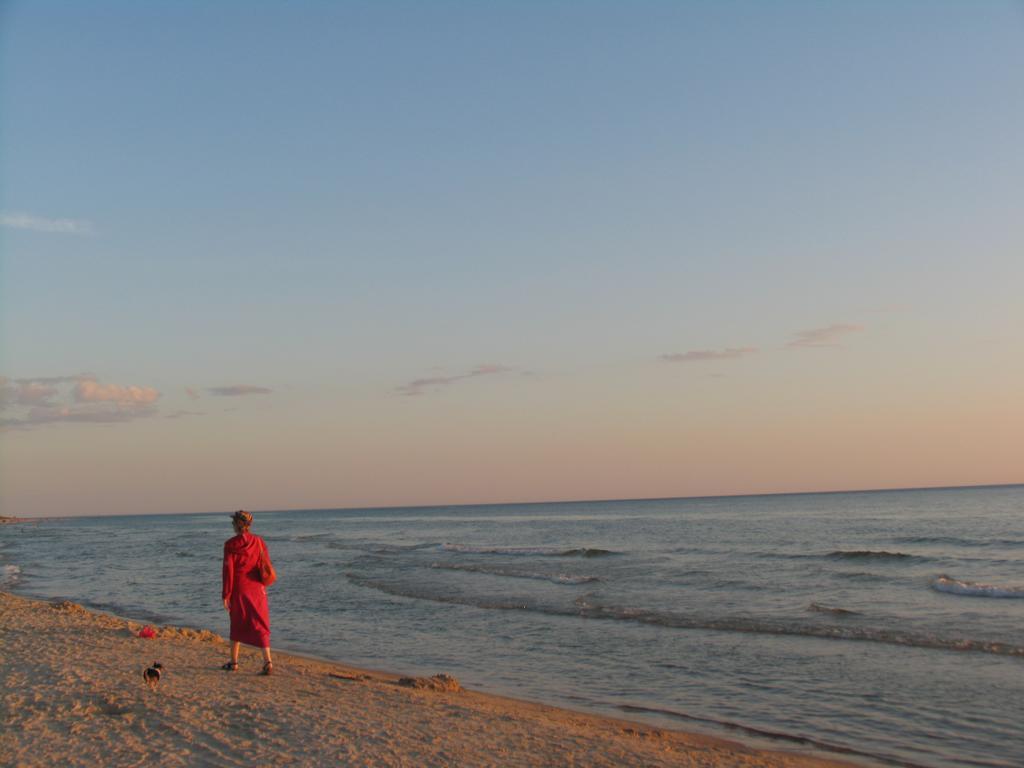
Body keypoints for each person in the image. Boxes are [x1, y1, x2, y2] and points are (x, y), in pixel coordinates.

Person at [221, 509, 274, 675]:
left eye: (233, 522)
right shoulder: (258, 542)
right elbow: (265, 563)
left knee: (237, 624)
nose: (232, 525)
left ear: (238, 524)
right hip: (257, 588)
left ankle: (234, 662)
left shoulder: (230, 545)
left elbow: (228, 571)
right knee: (260, 624)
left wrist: (226, 594)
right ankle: (267, 661)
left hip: (239, 588)